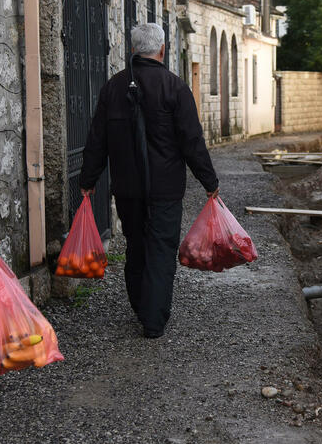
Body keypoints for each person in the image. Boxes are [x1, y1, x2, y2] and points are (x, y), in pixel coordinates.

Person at [79, 22, 219, 338]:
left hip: (127, 189)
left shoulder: (113, 88)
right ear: (162, 50)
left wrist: (88, 180)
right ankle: (153, 320)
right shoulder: (175, 88)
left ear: (132, 50)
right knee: (160, 249)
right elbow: (191, 140)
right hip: (165, 189)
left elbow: (97, 139)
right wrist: (209, 181)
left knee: (137, 247)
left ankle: (143, 307)